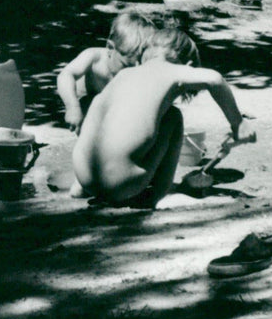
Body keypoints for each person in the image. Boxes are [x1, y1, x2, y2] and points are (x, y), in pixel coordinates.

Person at [70, 22, 256, 208]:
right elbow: (214, 79)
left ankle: (83, 187)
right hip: (120, 185)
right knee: (172, 116)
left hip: (85, 175)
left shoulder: (124, 74)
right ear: (189, 65)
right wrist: (238, 124)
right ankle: (160, 194)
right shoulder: (174, 70)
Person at [57, 9, 158, 133]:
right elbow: (66, 75)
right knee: (88, 107)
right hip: (89, 105)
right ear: (110, 48)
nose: (135, 70)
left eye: (140, 64)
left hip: (118, 106)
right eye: (126, 65)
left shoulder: (137, 65)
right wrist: (72, 107)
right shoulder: (94, 57)